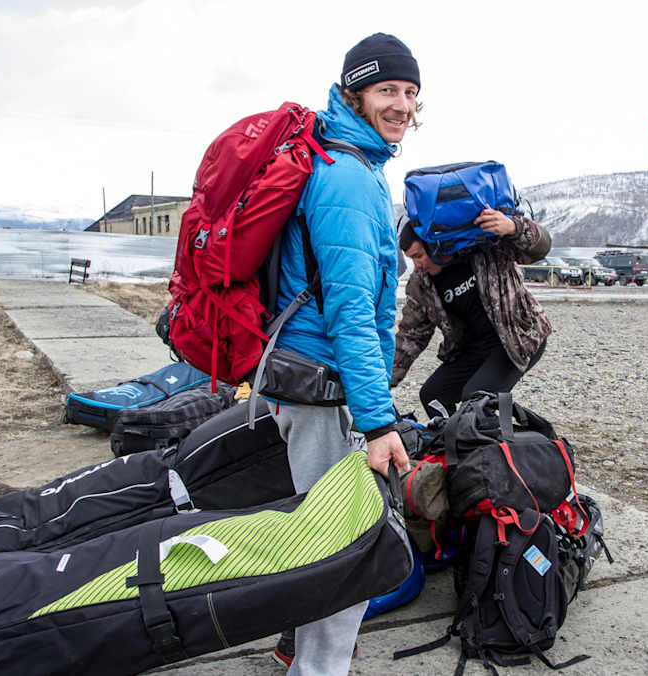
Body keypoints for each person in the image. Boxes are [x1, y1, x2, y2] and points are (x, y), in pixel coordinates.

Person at [260, 33, 415, 676]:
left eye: (410, 92)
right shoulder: (349, 178)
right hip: (324, 388)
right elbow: (352, 312)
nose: (402, 104)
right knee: (343, 546)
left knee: (309, 534)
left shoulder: (354, 162)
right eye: (387, 90)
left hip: (305, 377)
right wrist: (378, 422)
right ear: (356, 92)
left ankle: (295, 649)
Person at [391, 211, 552, 414]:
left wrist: (514, 227)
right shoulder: (421, 284)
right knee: (433, 396)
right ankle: (450, 442)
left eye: (418, 256)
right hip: (476, 349)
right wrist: (381, 384)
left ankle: (491, 444)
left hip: (519, 338)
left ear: (434, 244)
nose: (417, 265)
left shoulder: (484, 249)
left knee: (475, 399)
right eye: (411, 259)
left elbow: (542, 247)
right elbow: (411, 337)